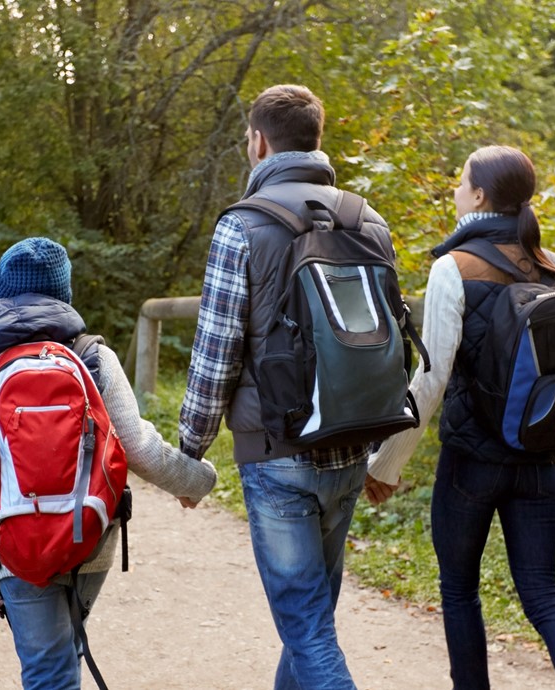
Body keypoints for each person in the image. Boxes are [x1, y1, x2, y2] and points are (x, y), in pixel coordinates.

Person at [365, 145, 555, 689]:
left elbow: (431, 377)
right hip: (538, 463)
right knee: (545, 598)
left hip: (472, 462)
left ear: (478, 196)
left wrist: (386, 462)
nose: (454, 191)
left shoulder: (455, 267)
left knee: (458, 590)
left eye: (459, 181)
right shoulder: (553, 269)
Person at [179, 84, 394, 690]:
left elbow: (215, 352)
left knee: (304, 625)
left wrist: (189, 453)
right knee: (312, 618)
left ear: (259, 142)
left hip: (276, 452)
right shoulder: (366, 219)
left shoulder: (242, 226)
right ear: (316, 141)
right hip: (352, 442)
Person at [0, 237, 217, 689]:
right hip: (87, 535)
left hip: (13, 542)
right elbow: (141, 449)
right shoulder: (92, 356)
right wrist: (198, 480)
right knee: (62, 657)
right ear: (64, 295)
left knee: (47, 670)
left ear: (0, 293)